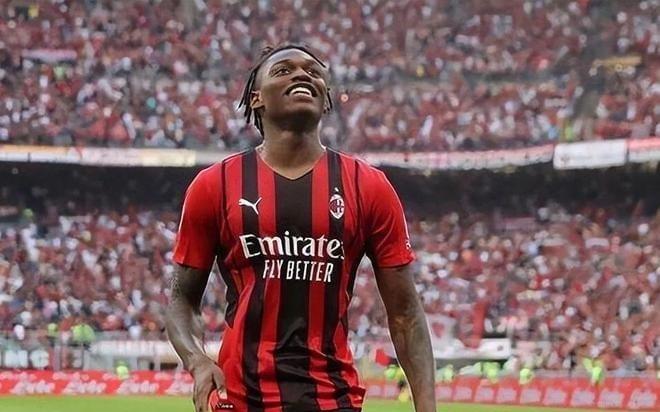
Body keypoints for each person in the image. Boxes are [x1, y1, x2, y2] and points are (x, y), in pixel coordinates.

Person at [166, 44, 436, 412]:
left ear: (326, 99)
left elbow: (406, 314)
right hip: (240, 399)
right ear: (257, 98)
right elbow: (182, 300)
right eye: (283, 70)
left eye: (313, 71)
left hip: (333, 398)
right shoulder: (214, 186)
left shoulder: (369, 186)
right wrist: (196, 361)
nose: (302, 75)